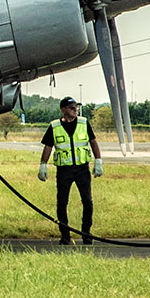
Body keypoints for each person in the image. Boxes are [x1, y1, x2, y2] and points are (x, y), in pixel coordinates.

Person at [36, 96, 102, 243]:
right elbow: (48, 146)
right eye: (72, 108)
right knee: (62, 202)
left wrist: (98, 161)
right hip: (64, 170)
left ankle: (87, 233)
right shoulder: (54, 126)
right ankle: (65, 235)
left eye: (76, 108)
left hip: (82, 169)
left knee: (87, 201)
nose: (75, 110)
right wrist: (43, 165)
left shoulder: (84, 123)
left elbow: (93, 142)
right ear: (64, 110)